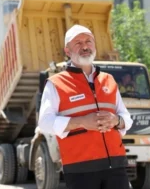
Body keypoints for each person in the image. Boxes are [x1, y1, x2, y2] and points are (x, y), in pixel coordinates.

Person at [38, 24, 133, 189]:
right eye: (78, 43)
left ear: (94, 46)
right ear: (67, 51)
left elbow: (127, 118)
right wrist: (82, 121)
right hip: (80, 169)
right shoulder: (56, 83)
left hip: (116, 166)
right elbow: (45, 122)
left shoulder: (108, 79)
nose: (85, 46)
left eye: (89, 41)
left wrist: (115, 120)